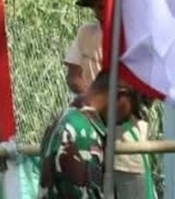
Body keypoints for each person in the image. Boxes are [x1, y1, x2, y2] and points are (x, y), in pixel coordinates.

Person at [63, 0, 155, 199]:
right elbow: (73, 76)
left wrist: (119, 104)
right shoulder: (87, 33)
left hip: (127, 140)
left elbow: (150, 90)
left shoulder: (137, 38)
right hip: (91, 137)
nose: (99, 13)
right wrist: (95, 102)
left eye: (104, 7)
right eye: (96, 8)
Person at [39, 71, 146, 199]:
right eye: (133, 107)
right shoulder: (83, 133)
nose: (128, 118)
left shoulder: (65, 119)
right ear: (120, 94)